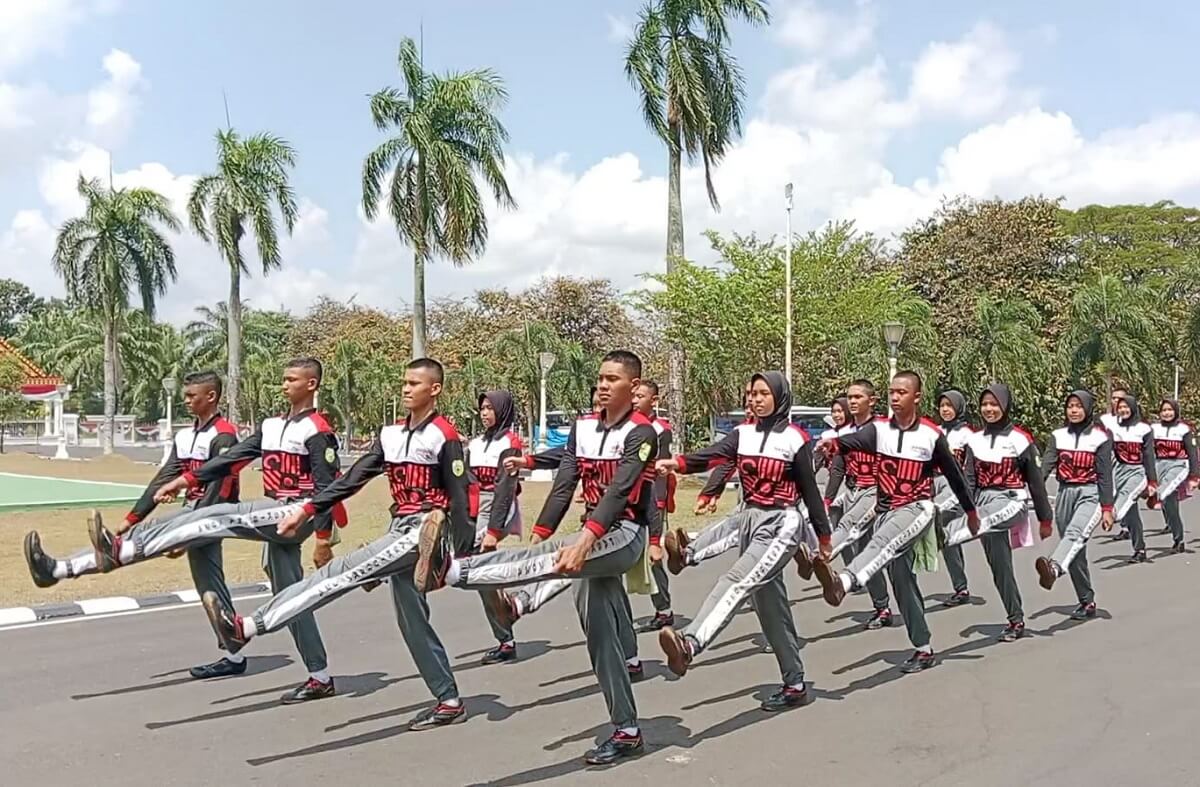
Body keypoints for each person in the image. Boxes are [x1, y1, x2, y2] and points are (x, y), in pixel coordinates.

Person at [412, 350, 657, 766]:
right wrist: (541, 534)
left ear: (633, 389)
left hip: (624, 536)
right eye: (599, 377)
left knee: (556, 555)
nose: (602, 385)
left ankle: (453, 571)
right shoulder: (583, 429)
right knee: (600, 638)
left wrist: (580, 543)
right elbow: (564, 486)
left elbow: (620, 491)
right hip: (591, 534)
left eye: (612, 379)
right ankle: (627, 730)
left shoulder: (642, 433)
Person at [201, 358, 473, 730]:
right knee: (412, 621)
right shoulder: (391, 435)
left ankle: (246, 627)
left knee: (339, 574)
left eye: (414, 383)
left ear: (435, 390)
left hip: (426, 531)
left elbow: (461, 499)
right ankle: (450, 701)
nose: (406, 389)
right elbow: (353, 478)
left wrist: (454, 554)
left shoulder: (445, 436)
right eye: (404, 382)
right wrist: (310, 509)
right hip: (402, 527)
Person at [46, 359, 339, 703]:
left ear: (311, 385)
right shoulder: (272, 426)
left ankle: (113, 553)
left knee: (212, 517)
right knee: (290, 597)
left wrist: (322, 540)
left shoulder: (318, 429)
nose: (284, 384)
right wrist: (185, 480)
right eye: (283, 378)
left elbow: (327, 488)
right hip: (273, 512)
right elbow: (232, 460)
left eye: (292, 379)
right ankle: (319, 676)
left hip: (295, 513)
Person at [23, 371, 247, 679]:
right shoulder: (185, 436)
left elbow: (219, 487)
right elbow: (163, 480)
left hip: (212, 514)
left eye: (192, 395)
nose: (185, 400)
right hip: (193, 511)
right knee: (209, 583)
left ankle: (58, 570)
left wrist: (188, 534)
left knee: (140, 545)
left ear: (211, 397)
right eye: (185, 394)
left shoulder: (224, 435)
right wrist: (131, 518)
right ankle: (235, 655)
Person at [654, 371, 830, 711]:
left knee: (736, 581)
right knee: (770, 608)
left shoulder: (795, 438)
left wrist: (822, 537)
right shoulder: (742, 434)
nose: (756, 399)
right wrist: (676, 463)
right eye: (751, 393)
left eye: (763, 393)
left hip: (782, 523)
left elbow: (809, 489)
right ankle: (795, 683)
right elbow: (714, 455)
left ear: (779, 397)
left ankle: (690, 644)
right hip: (749, 517)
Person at [812, 371, 978, 673]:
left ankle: (844, 582)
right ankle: (924, 648)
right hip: (886, 509)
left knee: (881, 541)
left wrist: (971, 513)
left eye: (902, 392)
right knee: (902, 581)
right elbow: (849, 441)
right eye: (892, 392)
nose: (895, 397)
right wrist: (832, 446)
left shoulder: (931, 435)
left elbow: (955, 476)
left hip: (918, 508)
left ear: (916, 397)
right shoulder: (880, 432)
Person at [940, 385, 1053, 641]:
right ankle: (1016, 619)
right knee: (1000, 568)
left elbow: (1035, 483)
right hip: (984, 503)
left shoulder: (1020, 439)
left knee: (976, 524)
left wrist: (1045, 519)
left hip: (1012, 501)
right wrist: (960, 509)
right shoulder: (974, 440)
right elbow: (969, 482)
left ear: (1005, 406)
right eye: (985, 404)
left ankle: (941, 538)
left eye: (994, 404)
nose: (989, 409)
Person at [813, 379, 894, 631]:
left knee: (850, 526)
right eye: (850, 397)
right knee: (864, 552)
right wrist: (827, 498)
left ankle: (819, 557)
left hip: (876, 490)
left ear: (872, 400)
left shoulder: (882, 427)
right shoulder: (844, 433)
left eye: (858, 397)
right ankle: (882, 607)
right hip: (852, 489)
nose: (852, 401)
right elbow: (837, 468)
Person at [1034, 390, 1115, 620]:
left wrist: (1107, 509)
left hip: (1090, 494)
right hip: (1065, 492)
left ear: (1088, 408)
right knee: (1074, 549)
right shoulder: (1058, 436)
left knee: (1075, 534)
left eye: (1079, 406)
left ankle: (1054, 568)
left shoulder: (1100, 438)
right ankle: (1087, 601)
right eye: (1070, 406)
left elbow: (1104, 475)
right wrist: (1034, 492)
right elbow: (1045, 468)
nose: (1074, 410)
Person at [468, 390, 527, 665]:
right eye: (482, 408)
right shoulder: (476, 443)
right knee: (481, 574)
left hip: (494, 506)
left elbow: (505, 489)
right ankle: (506, 622)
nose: (484, 413)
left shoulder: (510, 442)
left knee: (480, 569)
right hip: (473, 504)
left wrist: (492, 531)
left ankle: (506, 635)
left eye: (490, 408)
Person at [633, 380, 676, 631]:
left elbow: (659, 466)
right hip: (628, 499)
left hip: (652, 497)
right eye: (633, 396)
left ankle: (663, 609)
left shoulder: (660, 429)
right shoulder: (627, 425)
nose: (635, 400)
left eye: (641, 396)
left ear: (654, 400)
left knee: (653, 555)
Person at [935, 390, 976, 607]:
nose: (945, 410)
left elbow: (970, 467)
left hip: (955, 487)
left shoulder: (966, 434)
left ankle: (961, 587)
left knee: (936, 516)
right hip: (935, 483)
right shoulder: (936, 431)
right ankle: (960, 587)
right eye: (942, 406)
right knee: (947, 539)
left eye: (950, 406)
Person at [1108, 393, 1157, 563]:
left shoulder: (1144, 429)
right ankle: (1140, 549)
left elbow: (1149, 455)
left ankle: (1113, 514)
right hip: (1119, 471)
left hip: (1137, 472)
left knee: (1127, 496)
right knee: (1132, 515)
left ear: (1133, 407)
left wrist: (1152, 481)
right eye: (1120, 407)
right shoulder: (1113, 429)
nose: (1123, 409)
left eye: (1125, 406)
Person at [1148, 398, 1200, 552]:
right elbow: (1148, 451)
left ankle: (1155, 497)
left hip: (1178, 465)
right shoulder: (1154, 428)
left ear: (1176, 411)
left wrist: (1194, 476)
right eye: (1164, 410)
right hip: (1160, 465)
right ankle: (1179, 539)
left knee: (1166, 493)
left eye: (1170, 410)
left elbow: (1192, 454)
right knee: (1170, 507)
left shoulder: (1184, 429)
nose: (1167, 413)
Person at [1101, 387, 1130, 540]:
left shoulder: (1130, 419)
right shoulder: (1104, 419)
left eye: (1120, 398)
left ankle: (1126, 527)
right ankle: (1124, 523)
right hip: (1108, 456)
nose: (1116, 401)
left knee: (1123, 490)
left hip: (1126, 458)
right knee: (1112, 490)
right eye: (1113, 398)